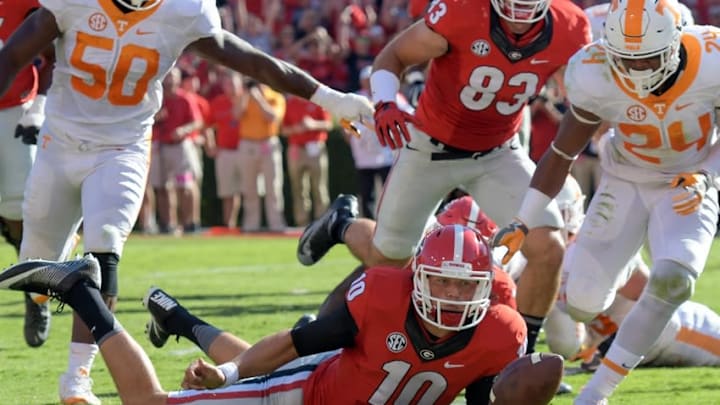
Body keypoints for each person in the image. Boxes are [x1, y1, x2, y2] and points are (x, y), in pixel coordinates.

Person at [0, 0, 373, 402]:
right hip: (61, 144)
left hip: (122, 146)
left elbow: (252, 62)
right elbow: (12, 57)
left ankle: (78, 377)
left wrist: (331, 99)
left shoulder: (182, 9)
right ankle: (39, 296)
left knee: (105, 250)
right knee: (35, 261)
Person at [297, 0, 591, 358]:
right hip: (430, 149)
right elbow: (393, 55)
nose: (519, 11)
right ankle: (342, 224)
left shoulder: (570, 26)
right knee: (390, 261)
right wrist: (386, 102)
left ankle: (521, 357)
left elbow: (579, 93)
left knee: (548, 249)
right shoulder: (465, 12)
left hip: (498, 152)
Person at [0, 224, 527, 404]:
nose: (454, 295)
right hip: (302, 395)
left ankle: (176, 318)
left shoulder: (501, 335)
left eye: (466, 284)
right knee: (147, 402)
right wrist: (228, 376)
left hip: (326, 381)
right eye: (444, 281)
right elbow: (294, 347)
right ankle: (82, 290)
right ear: (419, 278)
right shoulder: (385, 298)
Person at [492, 0, 720, 402]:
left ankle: (596, 393)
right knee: (581, 305)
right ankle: (631, 273)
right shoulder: (593, 70)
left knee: (675, 280)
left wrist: (708, 175)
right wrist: (523, 221)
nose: (635, 69)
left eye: (647, 58)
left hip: (687, 182)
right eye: (624, 58)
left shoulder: (711, 60)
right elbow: (562, 152)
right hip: (626, 179)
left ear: (673, 44)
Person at [0, 0, 55, 349]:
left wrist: (40, 102)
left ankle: (35, 294)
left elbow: (55, 52)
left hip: (16, 106)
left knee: (18, 207)